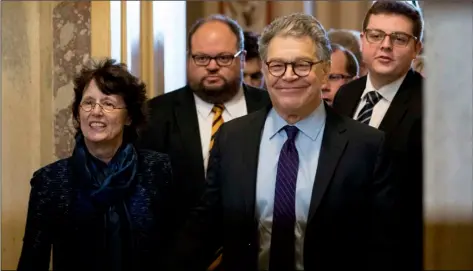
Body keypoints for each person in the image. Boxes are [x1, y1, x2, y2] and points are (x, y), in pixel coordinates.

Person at [171, 13, 399, 271]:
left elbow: (383, 246)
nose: (289, 76)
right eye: (277, 65)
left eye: (302, 64)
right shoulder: (232, 138)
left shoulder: (366, 146)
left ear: (325, 71)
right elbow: (205, 225)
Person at [137, 15, 269, 268]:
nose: (211, 66)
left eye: (223, 58)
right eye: (201, 58)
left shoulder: (271, 110)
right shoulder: (154, 116)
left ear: (241, 59)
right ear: (189, 59)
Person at [17, 59, 174, 271]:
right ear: (78, 112)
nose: (96, 112)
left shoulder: (157, 169)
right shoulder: (50, 181)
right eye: (88, 102)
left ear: (128, 117)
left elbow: (172, 250)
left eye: (108, 104)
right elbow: (32, 261)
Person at [332, 1, 424, 269]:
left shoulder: (432, 105)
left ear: (417, 48)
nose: (385, 45)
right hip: (338, 248)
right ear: (363, 41)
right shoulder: (346, 95)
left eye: (399, 38)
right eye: (376, 35)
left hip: (396, 254)